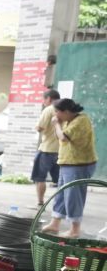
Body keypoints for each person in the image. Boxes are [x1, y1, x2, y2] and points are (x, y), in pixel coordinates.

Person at [41, 98, 98, 238]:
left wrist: (56, 124)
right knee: (61, 193)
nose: (56, 115)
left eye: (57, 112)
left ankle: (75, 229)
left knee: (74, 196)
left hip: (79, 164)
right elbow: (59, 135)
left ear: (66, 111)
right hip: (67, 162)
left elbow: (63, 137)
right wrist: (58, 124)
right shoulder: (68, 120)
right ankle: (55, 223)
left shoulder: (81, 120)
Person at [31, 88, 61, 208]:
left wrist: (36, 127)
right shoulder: (64, 110)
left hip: (46, 149)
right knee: (60, 180)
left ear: (49, 98)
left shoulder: (49, 110)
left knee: (40, 177)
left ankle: (40, 202)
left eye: (44, 99)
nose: (43, 102)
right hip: (60, 151)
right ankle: (61, 205)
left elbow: (40, 128)